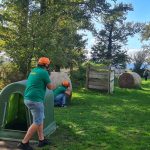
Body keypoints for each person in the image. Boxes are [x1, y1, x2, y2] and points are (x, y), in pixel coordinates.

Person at [18, 57, 55, 150]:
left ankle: (41, 140)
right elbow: (50, 87)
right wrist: (53, 81)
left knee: (39, 119)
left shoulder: (33, 71)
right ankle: (24, 143)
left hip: (28, 98)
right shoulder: (44, 72)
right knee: (37, 121)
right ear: (46, 65)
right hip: (35, 100)